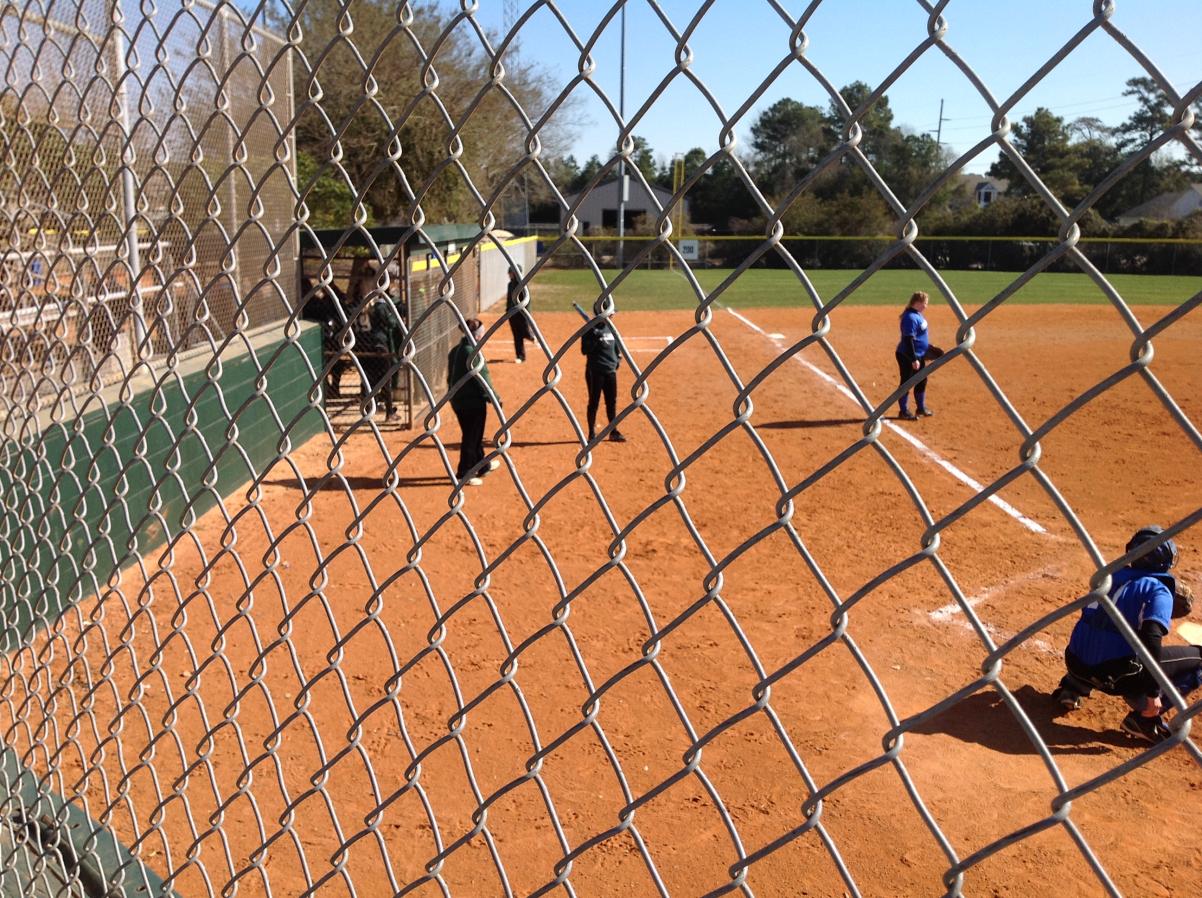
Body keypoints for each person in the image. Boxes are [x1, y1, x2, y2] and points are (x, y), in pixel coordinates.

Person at [1052, 525, 1202, 744]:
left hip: (1075, 664)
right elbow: (1151, 640)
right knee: (1199, 659)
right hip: (1120, 678)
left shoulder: (1106, 577)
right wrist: (1153, 693)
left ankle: (1072, 687)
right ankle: (1145, 720)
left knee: (1101, 630)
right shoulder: (1159, 590)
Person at [447, 318, 501, 485]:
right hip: (471, 403)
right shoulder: (473, 353)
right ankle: (464, 473)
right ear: (477, 337)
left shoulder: (456, 350)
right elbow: (482, 380)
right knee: (472, 436)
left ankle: (482, 465)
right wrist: (495, 399)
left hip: (458, 400)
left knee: (473, 434)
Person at [895, 290, 943, 420]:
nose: (926, 306)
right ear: (917, 302)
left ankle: (920, 408)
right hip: (907, 355)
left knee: (922, 380)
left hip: (919, 354)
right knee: (906, 382)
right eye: (925, 303)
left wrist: (928, 347)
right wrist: (913, 359)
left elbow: (919, 336)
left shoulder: (917, 315)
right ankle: (903, 411)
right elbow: (908, 339)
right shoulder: (910, 318)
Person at [581, 314, 626, 443]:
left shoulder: (611, 328)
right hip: (595, 372)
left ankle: (613, 431)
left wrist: (617, 361)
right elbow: (584, 350)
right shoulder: (589, 330)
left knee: (611, 402)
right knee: (594, 402)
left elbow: (617, 348)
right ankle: (591, 433)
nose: (613, 316)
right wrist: (595, 339)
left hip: (611, 371)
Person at [506, 266, 532, 364]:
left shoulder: (522, 285)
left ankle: (530, 336)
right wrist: (507, 311)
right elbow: (509, 300)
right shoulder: (510, 285)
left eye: (511, 273)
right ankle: (520, 356)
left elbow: (527, 300)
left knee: (524, 331)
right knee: (517, 335)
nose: (509, 275)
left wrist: (526, 313)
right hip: (512, 314)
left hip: (522, 313)